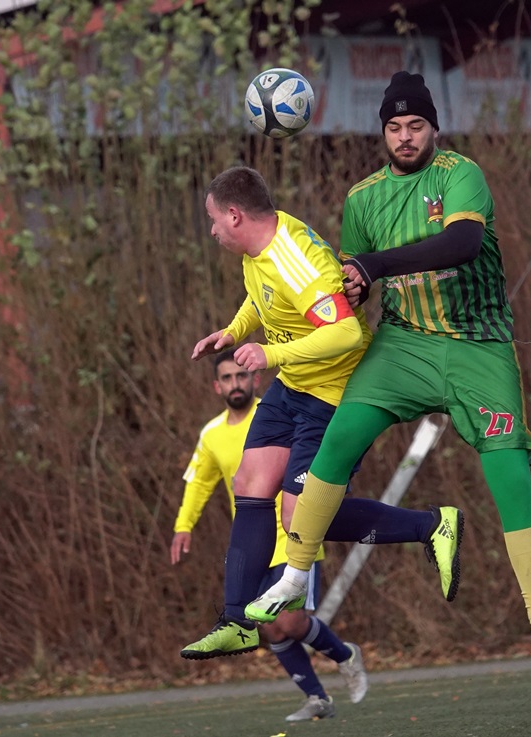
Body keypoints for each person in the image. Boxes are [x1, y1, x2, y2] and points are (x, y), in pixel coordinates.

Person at [245, 71, 531, 686]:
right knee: (336, 443)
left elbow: (462, 243)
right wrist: (349, 286)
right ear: (383, 133)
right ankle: (293, 575)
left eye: (415, 125)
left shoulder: (460, 174)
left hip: (478, 347)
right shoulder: (363, 199)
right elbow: (356, 286)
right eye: (394, 127)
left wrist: (375, 264)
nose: (405, 136)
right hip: (401, 344)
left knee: (510, 477)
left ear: (434, 129)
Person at [179, 166, 462, 680]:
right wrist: (234, 331)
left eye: (213, 219)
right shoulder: (258, 251)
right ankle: (237, 621)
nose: (213, 229)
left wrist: (268, 354)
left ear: (235, 215)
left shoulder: (293, 258)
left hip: (335, 393)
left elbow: (346, 334)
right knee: (251, 483)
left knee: (303, 517)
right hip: (295, 384)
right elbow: (263, 299)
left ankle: (430, 525)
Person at [172, 351, 367, 721]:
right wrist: (183, 526)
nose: (235, 383)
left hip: (294, 535)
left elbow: (313, 455)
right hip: (254, 543)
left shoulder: (280, 412)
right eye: (227, 378)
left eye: (241, 375)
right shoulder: (211, 435)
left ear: (255, 379)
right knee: (268, 628)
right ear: (217, 387)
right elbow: (198, 482)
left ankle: (346, 655)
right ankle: (317, 698)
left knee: (289, 622)